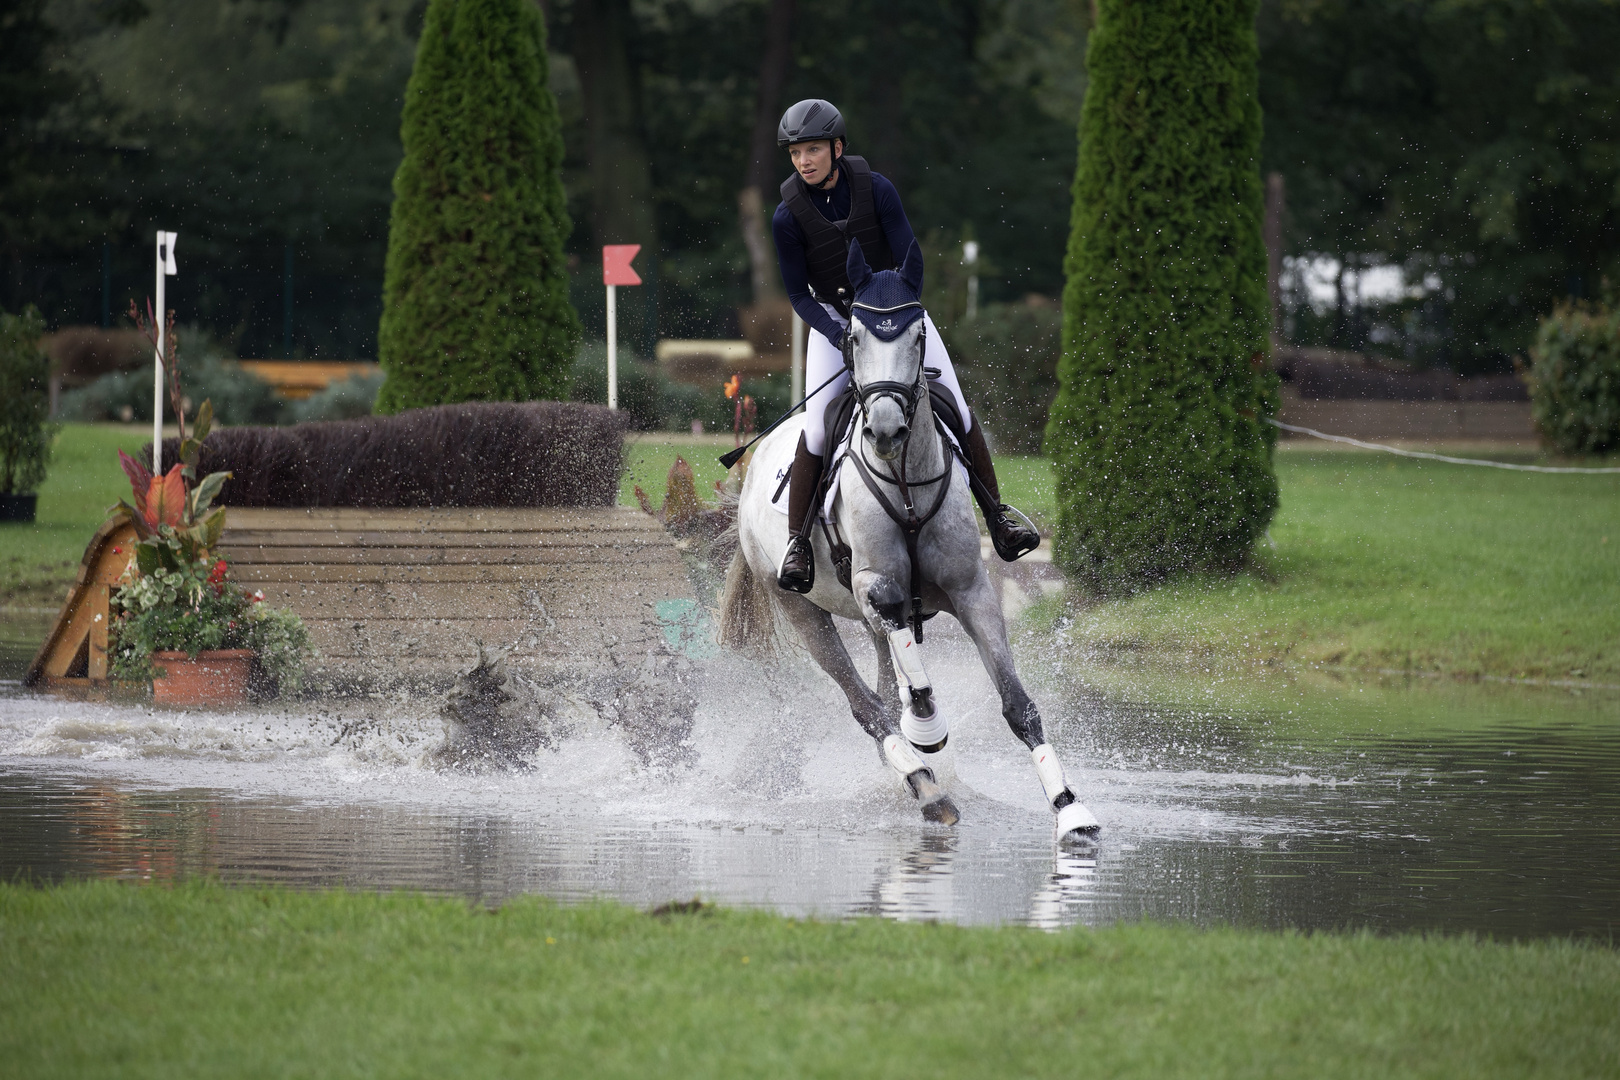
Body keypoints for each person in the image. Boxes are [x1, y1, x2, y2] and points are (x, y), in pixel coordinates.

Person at [771, 98, 1039, 593]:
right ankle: (797, 543)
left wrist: (891, 319)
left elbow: (908, 261)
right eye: (795, 153)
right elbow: (796, 295)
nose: (803, 161)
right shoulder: (787, 218)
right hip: (833, 320)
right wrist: (838, 335)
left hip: (894, 309)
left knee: (955, 407)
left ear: (837, 147)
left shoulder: (878, 190)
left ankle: (998, 517)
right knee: (815, 429)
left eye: (811, 150)